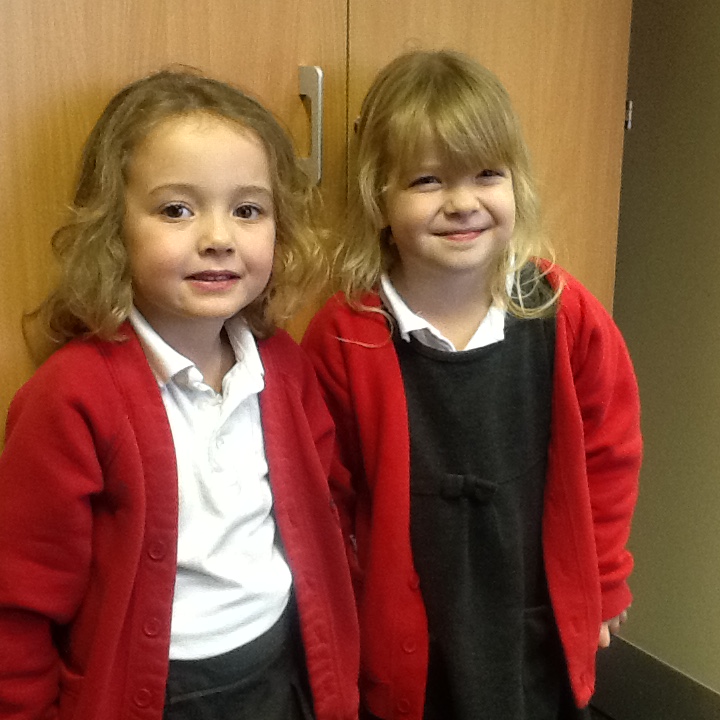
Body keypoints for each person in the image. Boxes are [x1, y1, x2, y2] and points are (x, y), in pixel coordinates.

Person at [0, 69, 359, 720]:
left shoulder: (285, 368)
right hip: (160, 695)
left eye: (247, 210)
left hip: (281, 674)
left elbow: (325, 519)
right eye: (177, 210)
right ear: (114, 230)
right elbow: (19, 605)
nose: (218, 237)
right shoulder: (71, 397)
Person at [301, 50, 641, 720]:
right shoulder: (344, 336)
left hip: (532, 618)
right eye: (428, 180)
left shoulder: (565, 312)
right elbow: (326, 499)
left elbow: (610, 453)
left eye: (487, 174)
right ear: (379, 198)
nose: (462, 203)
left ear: (516, 182)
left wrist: (603, 581)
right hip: (408, 633)